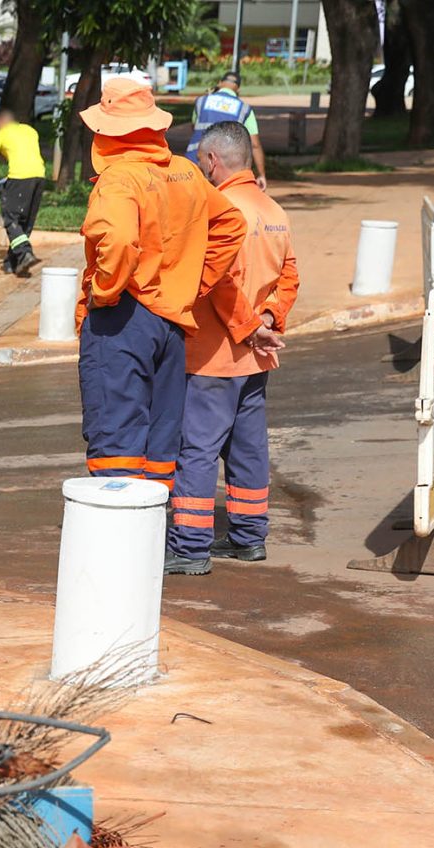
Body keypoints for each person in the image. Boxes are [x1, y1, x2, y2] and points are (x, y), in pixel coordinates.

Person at [74, 80, 245, 487]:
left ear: (107, 132)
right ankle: (154, 538)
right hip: (171, 323)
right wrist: (195, 284)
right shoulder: (184, 172)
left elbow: (116, 242)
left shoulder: (119, 180)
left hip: (123, 317)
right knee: (159, 440)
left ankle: (118, 541)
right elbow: (230, 225)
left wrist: (103, 291)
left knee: (116, 437)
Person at [165, 121, 299, 576]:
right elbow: (290, 276)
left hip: (213, 356)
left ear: (212, 161)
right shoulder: (274, 209)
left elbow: (216, 283)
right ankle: (248, 537)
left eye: (202, 161)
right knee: (247, 449)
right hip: (256, 358)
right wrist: (267, 320)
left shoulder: (219, 210)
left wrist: (246, 326)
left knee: (197, 450)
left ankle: (190, 546)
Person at [0, 104, 46, 275]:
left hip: (19, 177)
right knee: (24, 221)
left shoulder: (0, 135)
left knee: (10, 218)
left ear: (0, 121)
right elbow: (28, 157)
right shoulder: (30, 131)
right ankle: (12, 262)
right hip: (39, 178)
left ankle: (24, 252)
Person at [185, 71, 267, 187]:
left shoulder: (201, 101)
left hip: (194, 161)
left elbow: (194, 127)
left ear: (219, 83)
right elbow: (255, 145)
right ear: (238, 89)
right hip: (223, 169)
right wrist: (261, 174)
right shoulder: (244, 109)